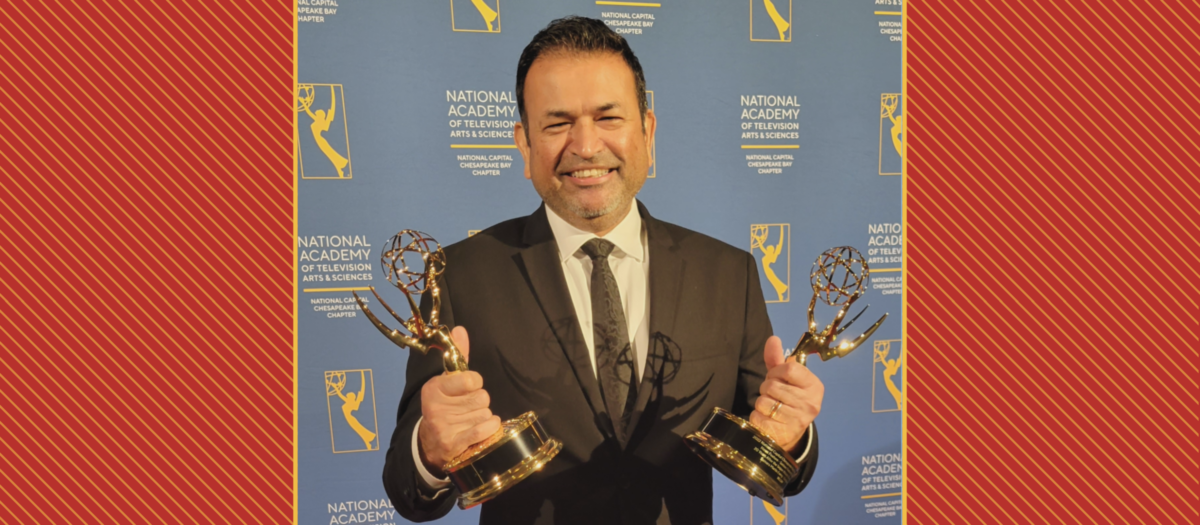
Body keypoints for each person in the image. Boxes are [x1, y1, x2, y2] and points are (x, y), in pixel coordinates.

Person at [383, 17, 824, 524]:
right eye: (557, 123)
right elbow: (407, 487)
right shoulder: (459, 275)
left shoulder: (730, 273)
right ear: (524, 146)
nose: (586, 146)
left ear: (647, 132)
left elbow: (775, 460)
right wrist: (431, 452)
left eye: (608, 118)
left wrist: (792, 434)